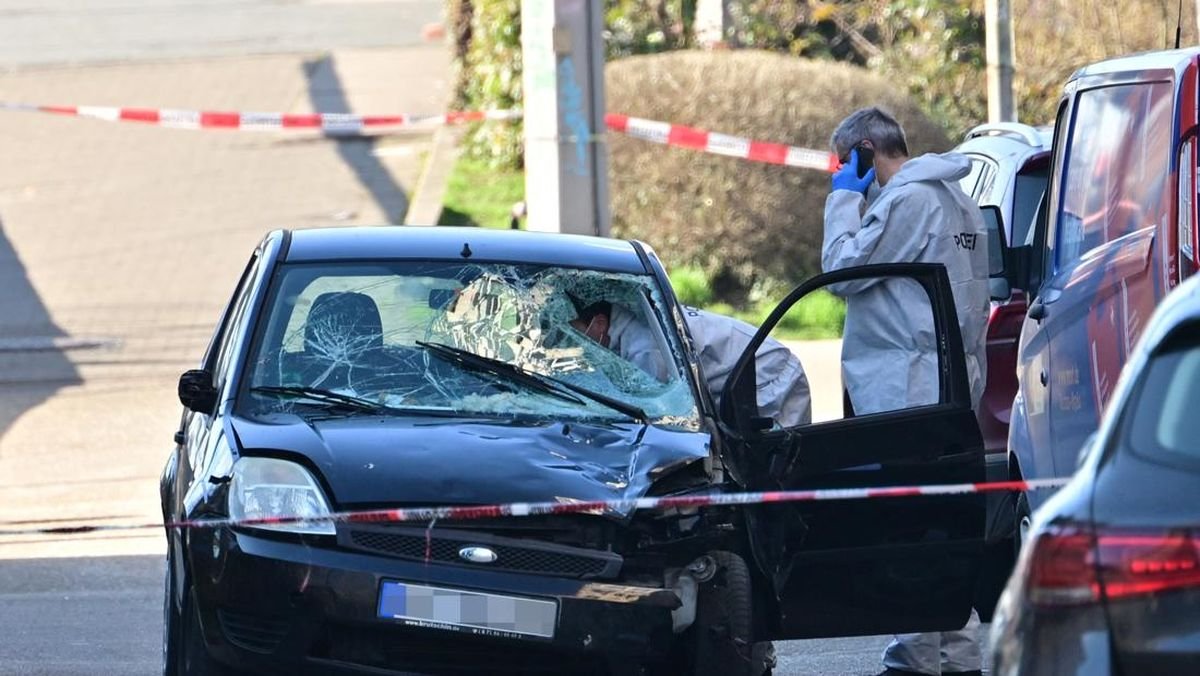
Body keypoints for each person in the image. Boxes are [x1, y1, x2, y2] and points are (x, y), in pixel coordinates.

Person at [823, 107, 989, 676]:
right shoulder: (956, 200)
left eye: (846, 160)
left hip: (908, 390)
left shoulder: (906, 201)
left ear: (866, 150)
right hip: (949, 386)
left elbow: (843, 270)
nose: (842, 171)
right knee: (943, 528)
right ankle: (959, 657)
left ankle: (914, 659)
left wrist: (845, 197)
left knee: (909, 529)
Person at [569, 300, 811, 426]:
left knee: (774, 482)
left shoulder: (644, 347)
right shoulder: (632, 328)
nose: (574, 343)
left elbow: (658, 414)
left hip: (770, 378)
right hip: (746, 378)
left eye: (576, 332)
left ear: (600, 323)